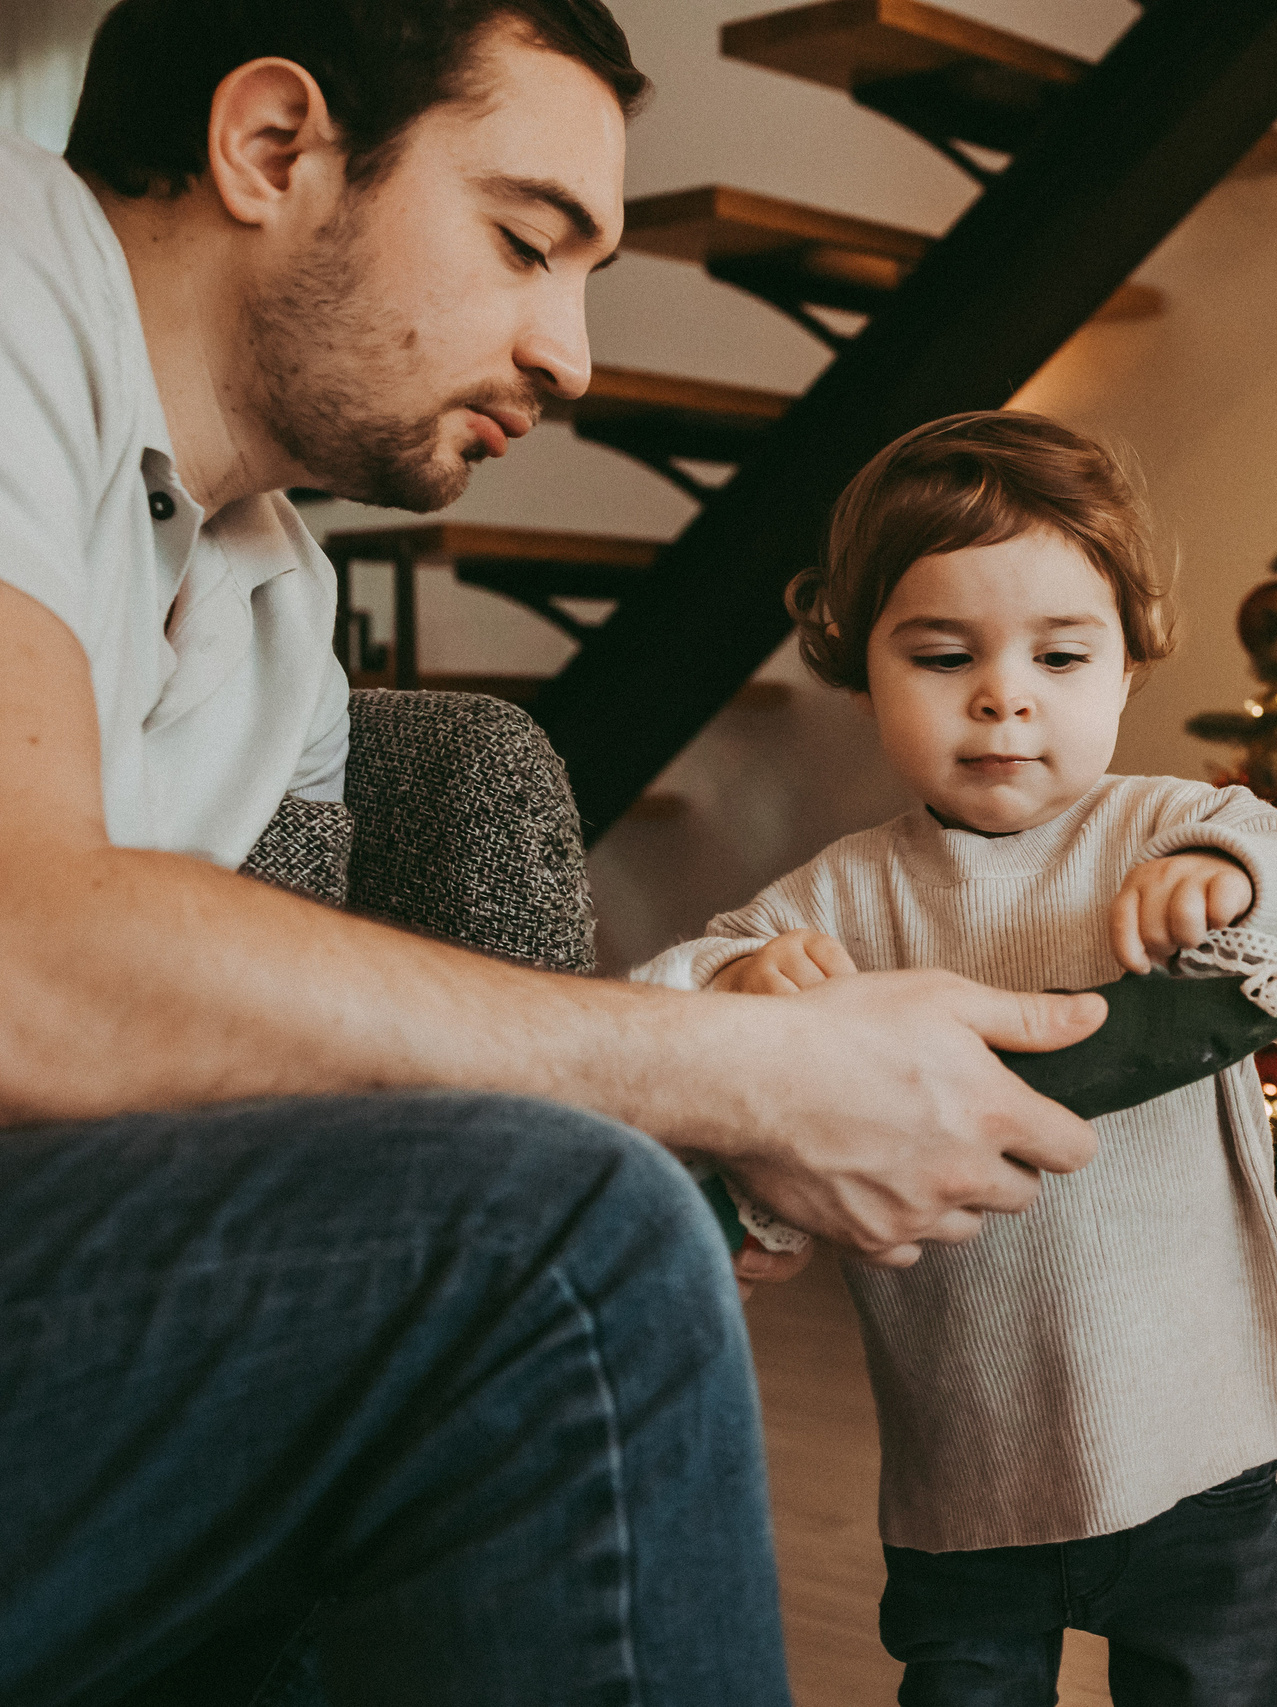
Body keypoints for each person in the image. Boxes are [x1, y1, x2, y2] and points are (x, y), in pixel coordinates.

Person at [0, 3, 1106, 1702]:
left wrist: (712, 1110)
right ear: (272, 147)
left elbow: (245, 1089)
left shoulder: (280, 609)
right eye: (527, 243)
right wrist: (711, 1073)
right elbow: (33, 968)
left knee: (583, 1224)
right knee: (547, 1241)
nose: (571, 357)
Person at [630, 411, 1277, 1707]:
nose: (1004, 695)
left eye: (1061, 654)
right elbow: (663, 1007)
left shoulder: (1170, 828)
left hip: (1202, 1439)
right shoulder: (841, 900)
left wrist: (1233, 877)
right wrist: (736, 981)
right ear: (863, 669)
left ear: (1128, 669)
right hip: (970, 1462)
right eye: (942, 654)